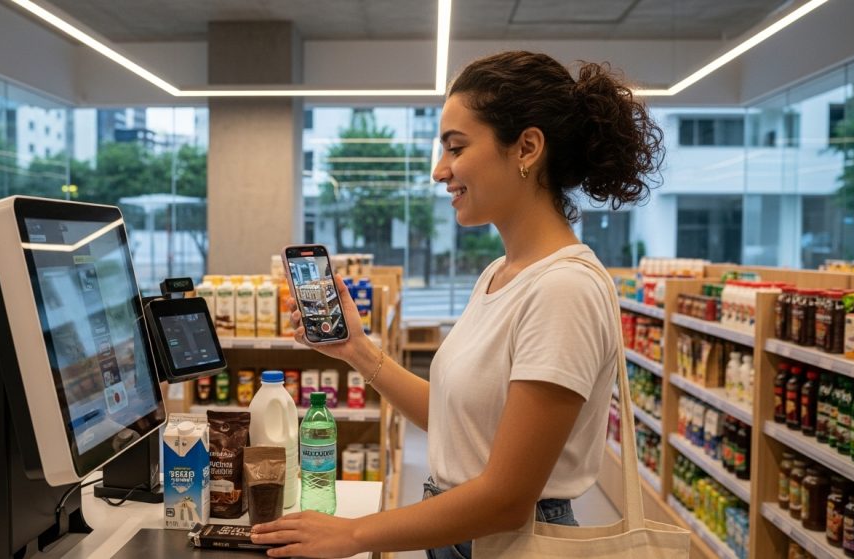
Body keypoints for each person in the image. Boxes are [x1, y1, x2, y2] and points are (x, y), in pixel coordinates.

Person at [251, 50, 664, 559]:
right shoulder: (499, 274)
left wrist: (353, 535)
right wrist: (357, 351)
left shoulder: (564, 290)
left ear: (527, 147)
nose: (439, 170)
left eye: (455, 147)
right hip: (463, 535)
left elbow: (507, 500)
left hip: (506, 539)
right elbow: (458, 422)